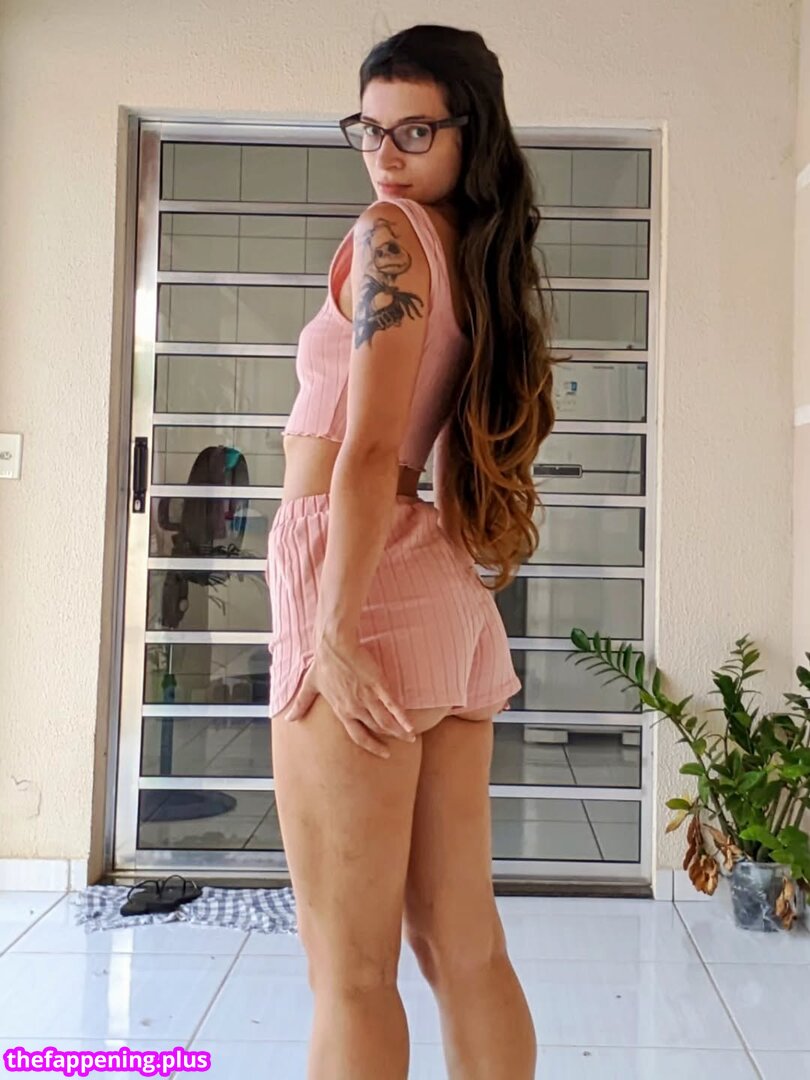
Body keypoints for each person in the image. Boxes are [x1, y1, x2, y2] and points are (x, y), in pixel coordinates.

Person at [266, 23, 559, 1080]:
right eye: (370, 128)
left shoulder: (392, 234)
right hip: (429, 577)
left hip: (353, 568)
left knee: (348, 971)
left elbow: (369, 444)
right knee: (461, 945)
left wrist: (332, 628)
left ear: (467, 133)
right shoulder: (473, 251)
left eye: (415, 130)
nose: (384, 155)